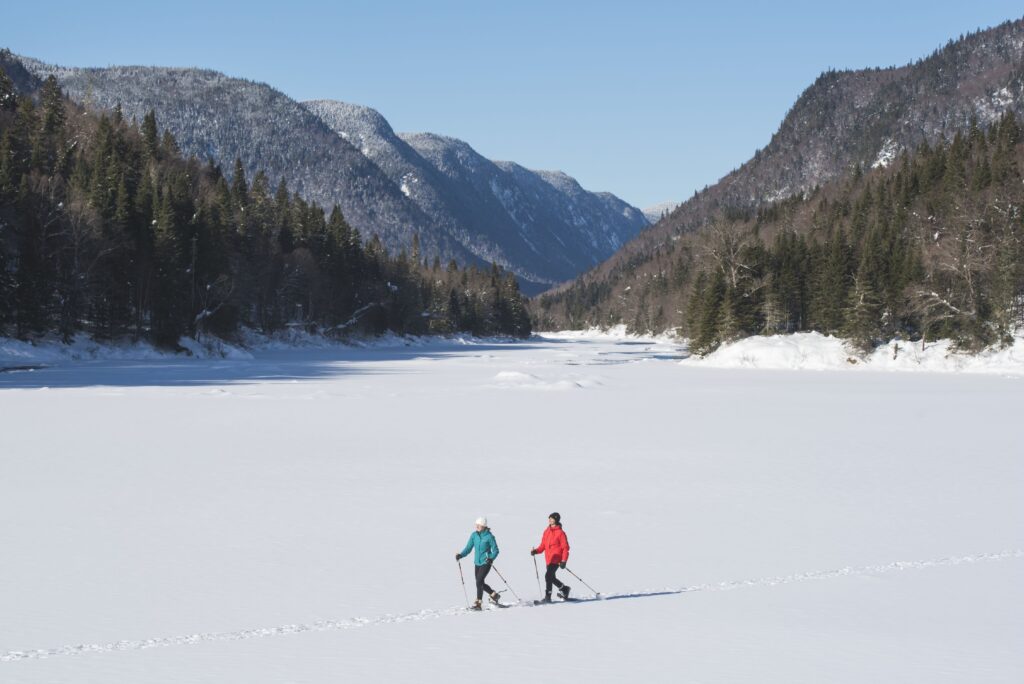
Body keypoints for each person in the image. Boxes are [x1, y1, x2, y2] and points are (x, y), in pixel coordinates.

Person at [456, 516, 501, 610]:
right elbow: (468, 548)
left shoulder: (489, 537)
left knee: (479, 581)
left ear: (484, 526)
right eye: (476, 524)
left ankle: (478, 603)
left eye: (479, 525)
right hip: (477, 562)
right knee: (479, 582)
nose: (477, 526)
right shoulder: (474, 535)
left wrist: (491, 558)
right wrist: (461, 555)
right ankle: (494, 595)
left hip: (486, 562)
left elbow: (496, 550)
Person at [531, 512, 570, 602]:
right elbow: (543, 546)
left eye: (552, 518)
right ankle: (564, 589)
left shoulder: (561, 533)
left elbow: (565, 548)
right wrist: (536, 551)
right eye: (549, 518)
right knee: (551, 577)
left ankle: (548, 597)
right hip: (548, 559)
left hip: (556, 559)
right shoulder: (546, 531)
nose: (550, 520)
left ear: (556, 520)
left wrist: (564, 560)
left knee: (548, 576)